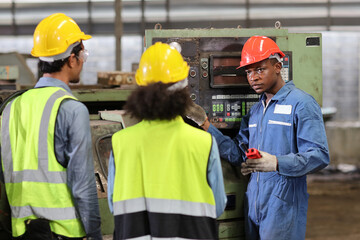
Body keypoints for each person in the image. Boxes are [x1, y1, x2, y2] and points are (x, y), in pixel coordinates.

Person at [186, 36, 330, 240]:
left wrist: (276, 163)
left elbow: (319, 155)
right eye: (248, 72)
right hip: (253, 204)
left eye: (260, 69)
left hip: (283, 206)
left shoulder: (302, 104)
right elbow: (238, 154)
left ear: (278, 66)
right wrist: (204, 123)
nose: (253, 77)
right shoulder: (255, 112)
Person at [107, 42, 227, 240]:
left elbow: (114, 204)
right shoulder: (204, 143)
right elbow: (218, 205)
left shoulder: (120, 143)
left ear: (140, 90)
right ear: (184, 89)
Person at [0, 13, 102, 239]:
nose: (83, 60)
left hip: (19, 231)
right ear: (71, 59)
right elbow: (83, 187)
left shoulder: (11, 108)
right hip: (62, 232)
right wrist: (95, 234)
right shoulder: (72, 110)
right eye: (82, 53)